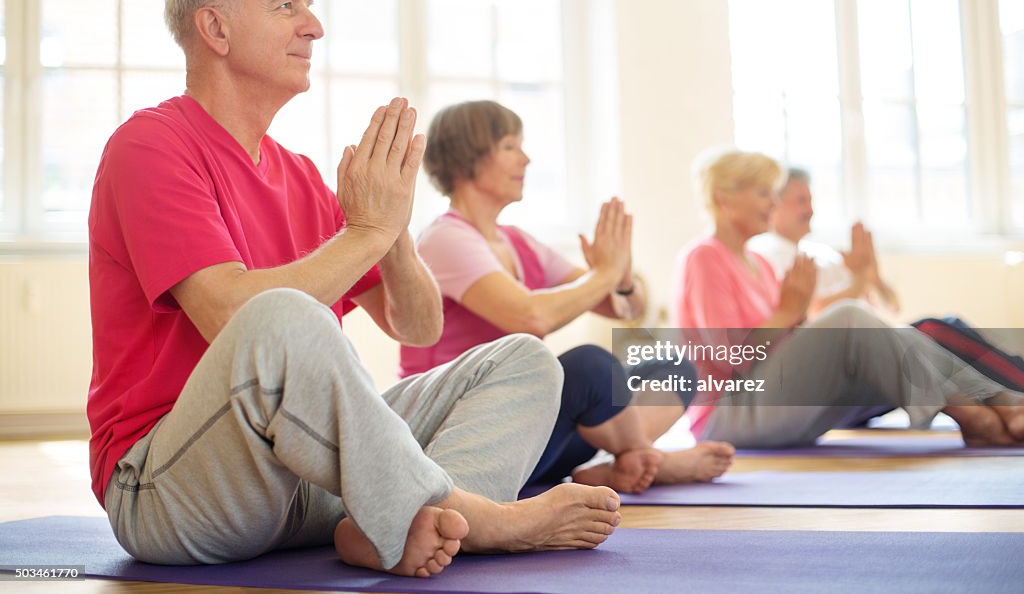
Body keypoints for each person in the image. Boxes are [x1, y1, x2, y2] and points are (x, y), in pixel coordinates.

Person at [86, 0, 622, 579]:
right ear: (216, 28)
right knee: (279, 316)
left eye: (307, 7)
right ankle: (474, 516)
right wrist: (366, 229)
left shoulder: (304, 177)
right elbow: (229, 315)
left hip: (305, 486)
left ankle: (413, 522)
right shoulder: (151, 144)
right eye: (287, 5)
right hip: (173, 491)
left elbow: (419, 326)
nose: (314, 26)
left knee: (523, 360)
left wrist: (391, 229)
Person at [400, 100, 734, 493]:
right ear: (463, 158)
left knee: (672, 367)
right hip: (464, 436)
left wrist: (621, 278)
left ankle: (626, 459)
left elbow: (622, 306)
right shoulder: (446, 238)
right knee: (592, 368)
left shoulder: (517, 241)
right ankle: (647, 460)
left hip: (530, 436)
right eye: (510, 146)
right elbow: (530, 317)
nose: (525, 159)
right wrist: (605, 274)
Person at [669, 148, 1024, 448]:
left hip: (776, 399)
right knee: (848, 317)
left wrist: (796, 315)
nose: (773, 203)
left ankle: (1000, 402)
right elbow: (727, 357)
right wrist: (788, 311)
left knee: (900, 336)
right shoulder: (703, 257)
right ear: (724, 199)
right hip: (728, 415)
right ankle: (973, 413)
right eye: (763, 193)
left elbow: (790, 344)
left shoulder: (758, 262)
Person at [748, 168, 900, 317]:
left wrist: (874, 276)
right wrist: (858, 284)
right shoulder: (765, 254)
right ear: (775, 205)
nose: (810, 210)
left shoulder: (824, 253)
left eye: (810, 201)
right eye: (801, 201)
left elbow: (893, 307)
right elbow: (806, 313)